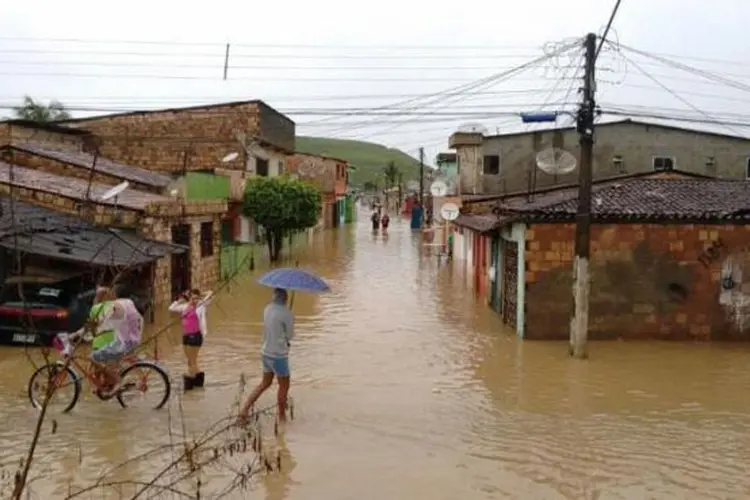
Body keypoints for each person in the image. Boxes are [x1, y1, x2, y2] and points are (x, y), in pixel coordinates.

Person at [238, 288, 294, 423]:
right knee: (284, 386)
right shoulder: (287, 314)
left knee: (265, 383)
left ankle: (244, 410)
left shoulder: (267, 309)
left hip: (265, 353)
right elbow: (290, 335)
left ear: (274, 297)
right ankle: (281, 417)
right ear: (285, 299)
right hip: (278, 355)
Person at [89, 286, 144, 396]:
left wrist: (92, 333)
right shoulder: (129, 303)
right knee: (111, 364)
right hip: (130, 340)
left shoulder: (111, 307)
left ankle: (116, 380)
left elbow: (105, 325)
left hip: (119, 343)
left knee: (92, 357)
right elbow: (139, 319)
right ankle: (111, 383)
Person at [168, 288, 213, 391]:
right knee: (190, 361)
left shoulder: (201, 306)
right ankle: (198, 383)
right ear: (189, 298)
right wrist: (178, 301)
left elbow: (210, 293)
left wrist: (201, 293)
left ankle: (190, 382)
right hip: (186, 336)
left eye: (197, 298)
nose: (195, 300)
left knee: (192, 361)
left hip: (196, 336)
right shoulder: (184, 307)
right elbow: (171, 308)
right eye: (193, 298)